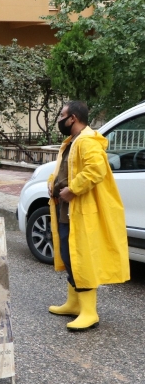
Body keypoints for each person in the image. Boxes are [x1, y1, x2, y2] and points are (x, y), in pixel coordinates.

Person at [47, 101, 129, 331]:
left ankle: (89, 312)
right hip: (67, 209)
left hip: (81, 210)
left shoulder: (87, 140)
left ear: (73, 118)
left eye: (62, 115)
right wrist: (52, 184)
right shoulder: (72, 142)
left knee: (80, 258)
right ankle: (74, 304)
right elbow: (65, 170)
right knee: (68, 254)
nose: (59, 119)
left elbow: (95, 170)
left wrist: (72, 189)